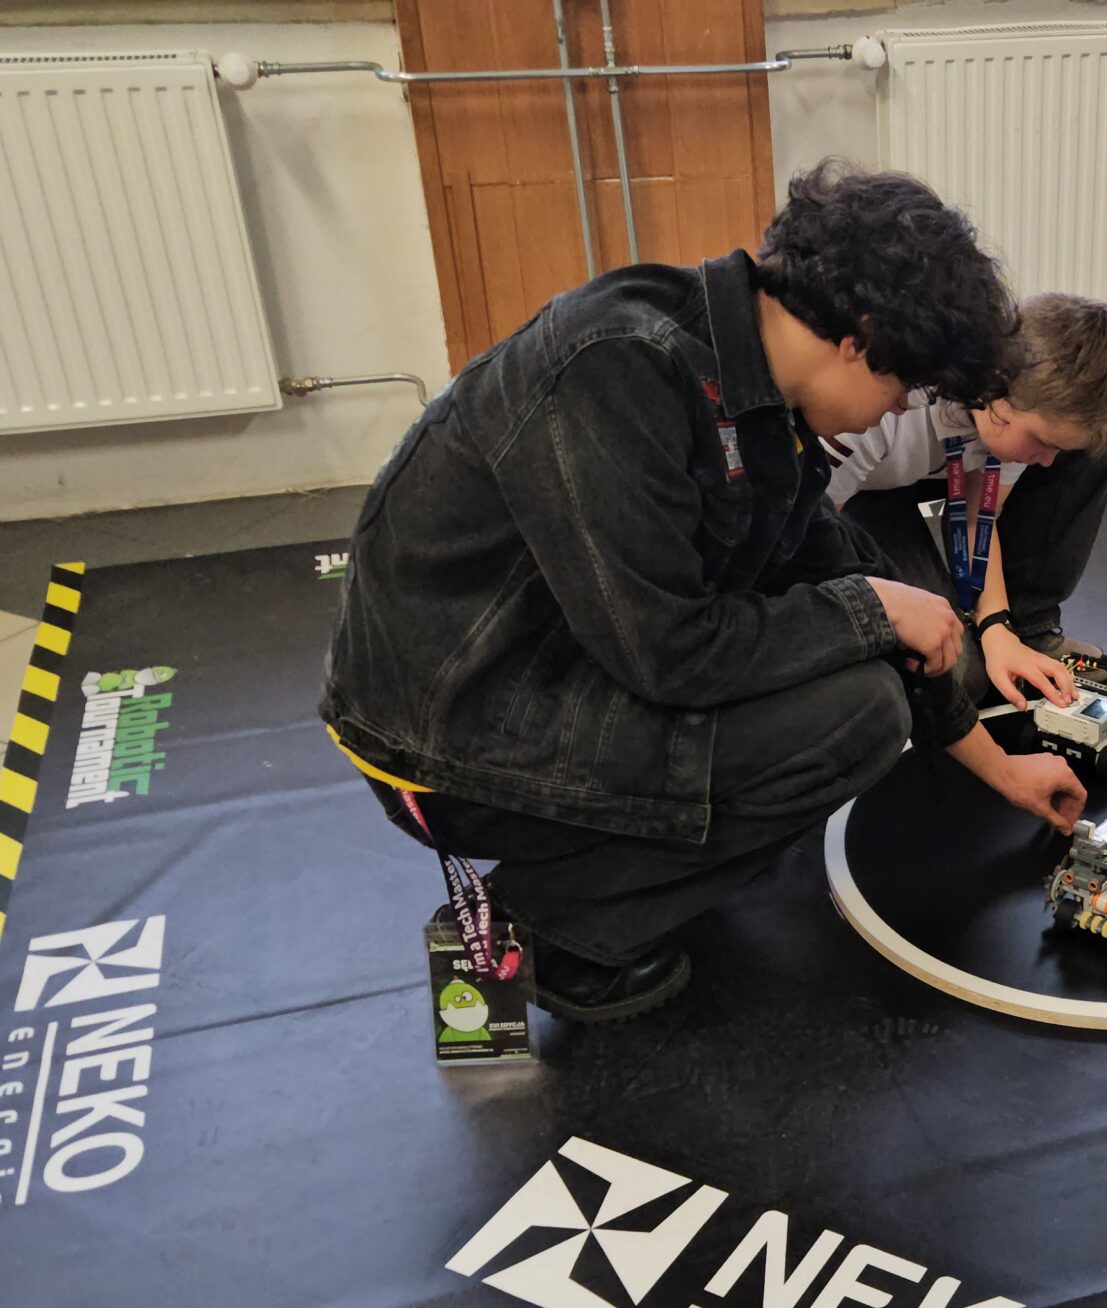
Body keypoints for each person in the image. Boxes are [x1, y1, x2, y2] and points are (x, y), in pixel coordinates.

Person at [320, 162, 1018, 1023]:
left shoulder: (753, 377)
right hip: (448, 738)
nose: (895, 410)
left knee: (860, 666)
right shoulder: (618, 366)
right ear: (859, 337)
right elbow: (672, 652)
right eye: (901, 387)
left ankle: (610, 881)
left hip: (557, 669)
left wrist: (995, 761)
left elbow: (831, 563)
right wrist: (873, 611)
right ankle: (544, 926)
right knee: (855, 717)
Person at [834, 294, 1107, 832]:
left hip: (938, 462)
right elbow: (801, 539)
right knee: (957, 677)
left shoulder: (1010, 401)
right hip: (860, 493)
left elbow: (979, 509)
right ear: (994, 393)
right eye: (1041, 441)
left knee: (1090, 443)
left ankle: (1030, 628)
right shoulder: (883, 401)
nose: (1047, 461)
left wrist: (998, 628)